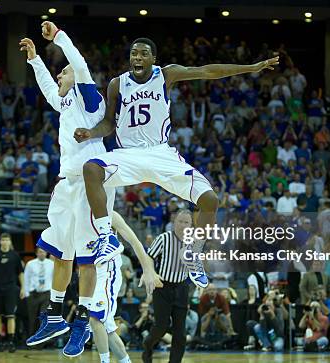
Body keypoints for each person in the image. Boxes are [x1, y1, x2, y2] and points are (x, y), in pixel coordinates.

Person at [74, 40, 278, 288]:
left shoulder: (166, 74)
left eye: (144, 53)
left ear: (153, 58)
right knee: (91, 168)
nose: (137, 57)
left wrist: (251, 68)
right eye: (134, 54)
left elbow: (207, 71)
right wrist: (91, 133)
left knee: (210, 200)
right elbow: (109, 123)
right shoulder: (118, 84)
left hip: (161, 153)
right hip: (127, 154)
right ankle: (106, 237)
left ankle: (194, 253)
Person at [19, 21, 117, 357]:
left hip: (92, 184)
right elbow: (49, 89)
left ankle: (84, 322)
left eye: (64, 73)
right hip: (66, 183)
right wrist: (35, 60)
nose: (60, 76)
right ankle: (56, 315)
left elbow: (79, 64)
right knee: (62, 252)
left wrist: (59, 37)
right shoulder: (64, 103)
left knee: (86, 260)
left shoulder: (89, 98)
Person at [90, 211, 161, 363]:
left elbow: (135, 241)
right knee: (108, 330)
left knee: (95, 320)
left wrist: (148, 269)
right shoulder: (79, 212)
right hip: (92, 275)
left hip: (108, 272)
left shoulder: (109, 214)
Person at [142, 210, 198, 363]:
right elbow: (149, 256)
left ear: (191, 225)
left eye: (186, 222)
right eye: (180, 221)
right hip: (162, 287)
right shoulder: (163, 238)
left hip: (182, 288)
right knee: (161, 327)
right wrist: (151, 273)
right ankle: (147, 345)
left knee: (180, 333)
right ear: (174, 223)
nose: (183, 225)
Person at [0, 233, 24, 352]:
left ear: (10, 242)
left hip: (11, 289)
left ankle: (10, 341)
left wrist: (23, 287)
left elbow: (20, 273)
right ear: (0, 242)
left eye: (7, 240)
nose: (5, 242)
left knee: (11, 316)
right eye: (3, 240)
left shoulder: (15, 256)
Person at [24, 247, 54, 334]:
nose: (42, 254)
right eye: (40, 252)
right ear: (36, 253)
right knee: (32, 318)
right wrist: (27, 293)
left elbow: (54, 279)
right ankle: (32, 339)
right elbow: (26, 278)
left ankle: (42, 341)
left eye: (43, 252)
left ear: (46, 253)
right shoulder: (30, 264)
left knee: (43, 317)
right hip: (33, 294)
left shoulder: (51, 264)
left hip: (46, 293)